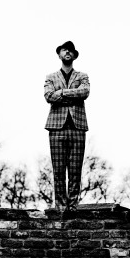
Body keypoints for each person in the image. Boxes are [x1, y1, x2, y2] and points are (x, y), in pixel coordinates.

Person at [44, 41, 90, 212]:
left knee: (75, 169)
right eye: (64, 50)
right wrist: (73, 95)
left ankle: (72, 206)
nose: (68, 52)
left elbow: (84, 92)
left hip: (78, 127)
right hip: (56, 127)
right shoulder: (50, 77)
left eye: (71, 51)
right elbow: (48, 96)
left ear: (74, 55)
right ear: (59, 54)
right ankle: (60, 207)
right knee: (58, 170)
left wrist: (62, 93)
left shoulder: (82, 76)